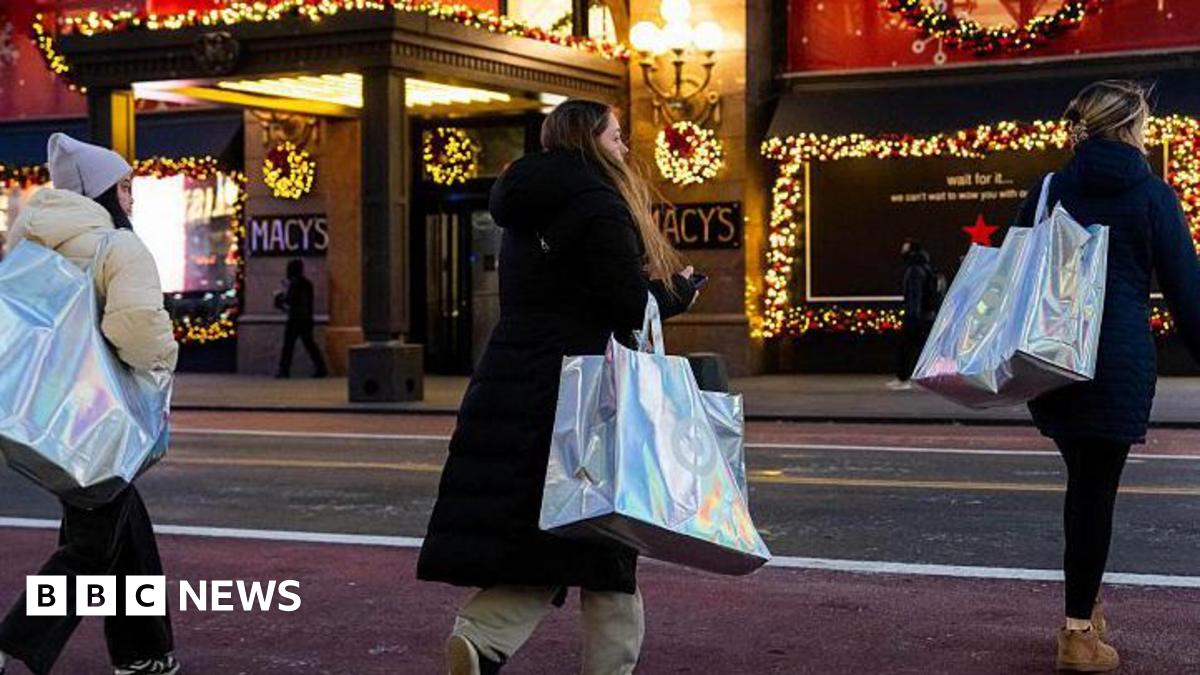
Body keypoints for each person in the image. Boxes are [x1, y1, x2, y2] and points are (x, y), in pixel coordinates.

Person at [416, 99, 700, 675]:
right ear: (590, 139)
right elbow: (624, 305)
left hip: (516, 375)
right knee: (610, 531)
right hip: (585, 387)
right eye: (617, 136)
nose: (624, 147)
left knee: (554, 534)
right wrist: (680, 294)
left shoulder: (524, 203)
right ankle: (604, 666)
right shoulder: (599, 204)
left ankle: (481, 637)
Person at [1011, 81, 1200, 672]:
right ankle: (1075, 634)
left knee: (1084, 485)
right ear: (1131, 128)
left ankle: (1085, 611)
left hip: (1054, 361)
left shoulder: (1049, 188)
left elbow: (1016, 268)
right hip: (1117, 364)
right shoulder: (1152, 196)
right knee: (1095, 493)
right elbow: (1187, 296)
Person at [0, 134, 181, 675]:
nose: (132, 198)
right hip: (103, 422)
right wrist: (161, 368)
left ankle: (144, 652)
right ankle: (14, 640)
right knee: (92, 549)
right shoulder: (117, 246)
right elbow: (137, 329)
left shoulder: (32, 247)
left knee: (128, 537)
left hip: (46, 414)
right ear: (102, 192)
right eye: (125, 187)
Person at [887, 238, 936, 391]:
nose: (902, 251)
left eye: (905, 248)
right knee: (919, 349)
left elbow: (915, 295)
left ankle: (904, 379)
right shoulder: (925, 267)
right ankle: (919, 378)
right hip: (926, 316)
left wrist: (911, 316)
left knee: (907, 349)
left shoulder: (914, 270)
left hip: (916, 317)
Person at [274, 258, 327, 379]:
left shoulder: (295, 283)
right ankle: (321, 367)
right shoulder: (306, 283)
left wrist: (280, 297)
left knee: (289, 346)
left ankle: (284, 370)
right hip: (306, 319)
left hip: (295, 319)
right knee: (309, 344)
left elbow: (290, 300)